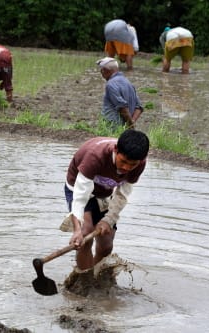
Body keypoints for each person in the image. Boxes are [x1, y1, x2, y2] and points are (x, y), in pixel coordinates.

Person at [64, 129, 149, 271]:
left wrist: (108, 220)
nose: (126, 168)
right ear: (116, 150)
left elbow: (122, 194)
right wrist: (77, 229)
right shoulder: (95, 157)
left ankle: (98, 278)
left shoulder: (139, 164)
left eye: (132, 164)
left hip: (104, 193)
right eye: (123, 161)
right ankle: (85, 280)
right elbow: (80, 197)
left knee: (107, 243)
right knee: (85, 235)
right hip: (78, 188)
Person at [97, 57, 143, 129]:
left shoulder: (110, 85)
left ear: (105, 70)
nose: (101, 72)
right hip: (124, 128)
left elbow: (122, 107)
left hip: (112, 127)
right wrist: (132, 121)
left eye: (101, 70)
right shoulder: (128, 83)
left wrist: (130, 126)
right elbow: (139, 107)